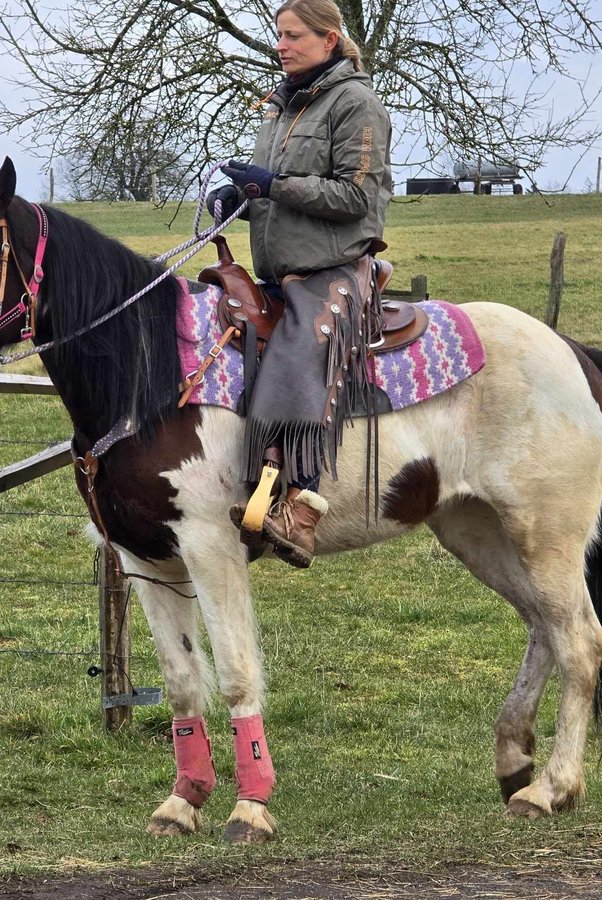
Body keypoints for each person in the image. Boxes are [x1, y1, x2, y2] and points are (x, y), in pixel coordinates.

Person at [207, 0, 393, 569]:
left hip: (333, 270)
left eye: (292, 37)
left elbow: (359, 199)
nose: (281, 46)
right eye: (278, 36)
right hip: (275, 273)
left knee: (294, 356)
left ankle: (300, 507)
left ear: (330, 39)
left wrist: (275, 185)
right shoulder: (280, 104)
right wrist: (240, 199)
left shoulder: (356, 103)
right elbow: (277, 193)